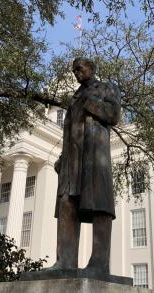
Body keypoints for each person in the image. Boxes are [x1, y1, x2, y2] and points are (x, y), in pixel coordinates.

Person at [53, 57, 121, 274]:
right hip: (72, 160)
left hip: (94, 158)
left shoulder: (106, 88)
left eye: (79, 69)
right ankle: (65, 262)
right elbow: (70, 132)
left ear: (91, 68)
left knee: (99, 205)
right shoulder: (73, 98)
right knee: (66, 204)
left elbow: (113, 115)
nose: (76, 73)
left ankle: (99, 264)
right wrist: (63, 159)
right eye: (73, 70)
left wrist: (90, 102)